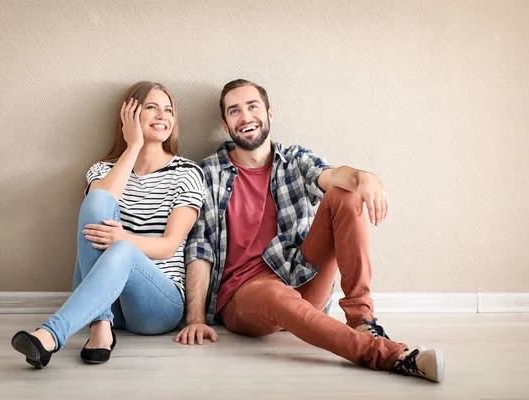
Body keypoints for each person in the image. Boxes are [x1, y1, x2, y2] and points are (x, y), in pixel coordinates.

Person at [176, 79, 445, 383]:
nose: (246, 116)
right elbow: (200, 249)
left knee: (344, 193)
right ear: (226, 124)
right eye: (235, 111)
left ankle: (362, 319)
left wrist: (364, 177)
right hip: (245, 295)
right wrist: (195, 319)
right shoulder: (207, 173)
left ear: (269, 113)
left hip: (300, 276)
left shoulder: (294, 160)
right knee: (273, 293)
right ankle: (389, 355)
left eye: (253, 107)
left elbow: (332, 177)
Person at [12, 81, 204, 368]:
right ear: (130, 115)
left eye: (168, 110)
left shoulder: (188, 173)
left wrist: (123, 240)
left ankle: (49, 336)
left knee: (124, 251)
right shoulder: (101, 170)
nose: (162, 116)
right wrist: (134, 145)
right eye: (151, 107)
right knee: (98, 199)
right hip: (107, 300)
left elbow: (168, 247)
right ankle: (101, 326)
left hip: (158, 305)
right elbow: (99, 206)